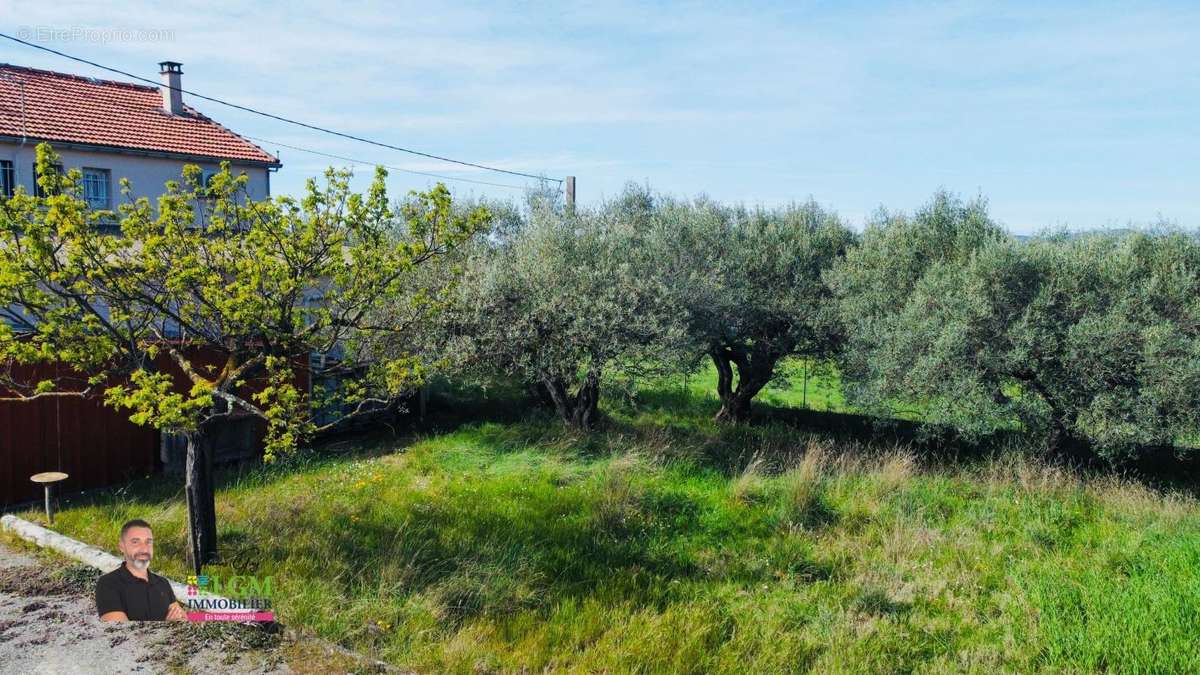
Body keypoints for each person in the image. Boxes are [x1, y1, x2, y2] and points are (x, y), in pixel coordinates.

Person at [94, 519, 187, 621]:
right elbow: (118, 634)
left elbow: (181, 619)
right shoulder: (108, 584)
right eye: (135, 542)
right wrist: (168, 625)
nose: (144, 549)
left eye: (148, 542)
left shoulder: (163, 583)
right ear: (121, 546)